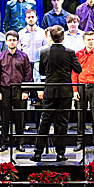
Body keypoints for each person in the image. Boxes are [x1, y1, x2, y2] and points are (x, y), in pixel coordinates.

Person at [33, 25, 81, 162]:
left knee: (45, 121)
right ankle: (60, 154)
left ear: (51, 38)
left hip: (50, 90)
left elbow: (42, 71)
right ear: (63, 37)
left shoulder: (44, 52)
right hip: (65, 92)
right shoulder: (70, 52)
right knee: (62, 123)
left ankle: (37, 153)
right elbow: (78, 69)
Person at [0, 30, 33, 152]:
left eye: (14, 40)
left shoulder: (24, 56)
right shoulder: (0, 57)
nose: (12, 42)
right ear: (6, 42)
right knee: (5, 118)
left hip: (19, 90)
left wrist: (26, 91)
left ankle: (20, 143)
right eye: (9, 40)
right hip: (5, 90)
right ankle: (4, 142)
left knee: (20, 118)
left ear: (18, 41)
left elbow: (28, 75)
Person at [72, 31, 94, 152]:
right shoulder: (78, 54)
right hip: (81, 87)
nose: (91, 41)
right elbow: (74, 73)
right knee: (80, 116)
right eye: (88, 39)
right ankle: (79, 142)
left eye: (92, 39)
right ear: (84, 41)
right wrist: (75, 90)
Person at [18, 7, 49, 82]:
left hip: (39, 65)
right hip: (25, 65)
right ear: (25, 19)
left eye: (32, 17)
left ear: (36, 18)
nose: (31, 19)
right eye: (28, 17)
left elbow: (46, 50)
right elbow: (19, 51)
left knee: (39, 90)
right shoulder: (20, 34)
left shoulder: (42, 33)